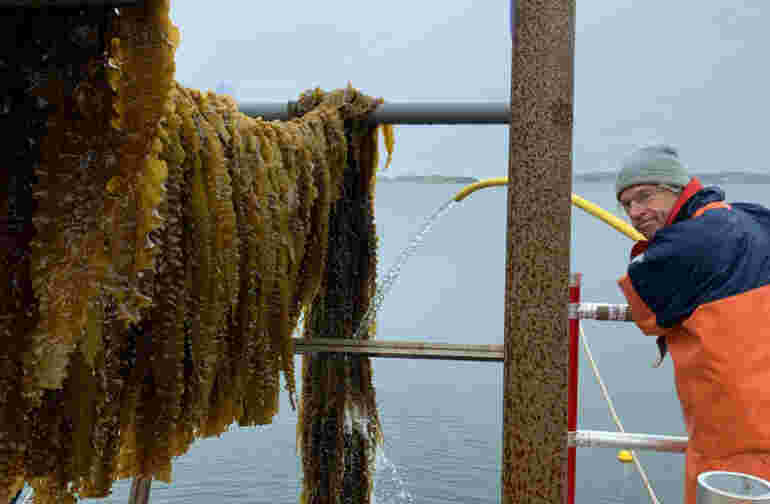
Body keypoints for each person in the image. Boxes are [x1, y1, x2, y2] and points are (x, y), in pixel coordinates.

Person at [614, 144, 770, 504]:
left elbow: (645, 303)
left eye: (645, 196)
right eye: (627, 205)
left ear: (676, 189)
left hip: (738, 435)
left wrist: (649, 251)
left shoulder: (691, 241)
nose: (636, 212)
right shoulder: (752, 217)